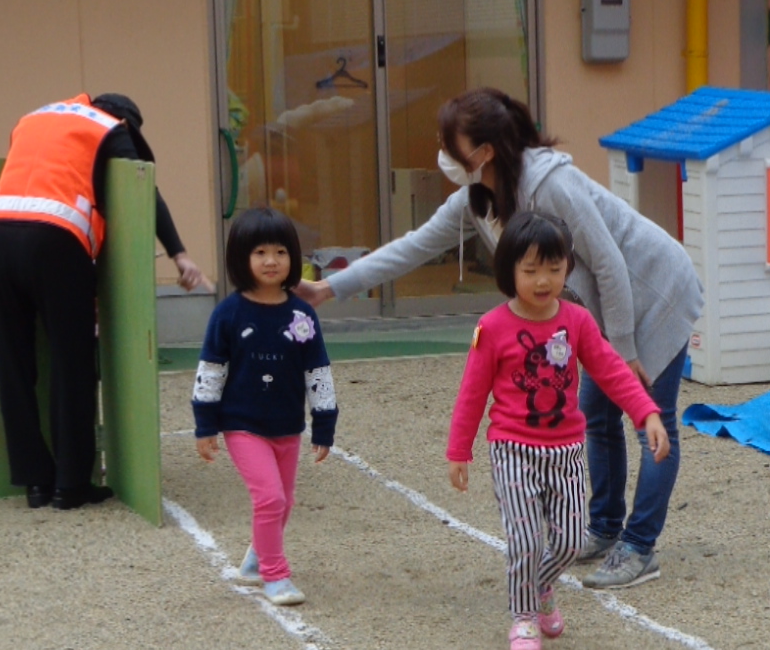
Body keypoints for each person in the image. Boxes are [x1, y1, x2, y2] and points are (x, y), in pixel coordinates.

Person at [299, 88, 703, 590]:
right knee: (597, 418)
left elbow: (609, 263)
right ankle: (603, 527)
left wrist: (624, 350)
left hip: (656, 290)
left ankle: (639, 546)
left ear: (485, 151)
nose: (443, 154)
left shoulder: (550, 184)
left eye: (450, 144)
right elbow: (412, 247)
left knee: (652, 423)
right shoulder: (477, 199)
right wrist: (329, 288)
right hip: (607, 309)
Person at [448, 212, 669, 650]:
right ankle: (523, 616)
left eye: (554, 268)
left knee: (568, 541)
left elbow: (611, 370)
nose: (543, 280)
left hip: (566, 451)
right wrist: (459, 450)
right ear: (509, 270)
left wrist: (646, 412)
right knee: (526, 539)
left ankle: (541, 584)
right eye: (531, 270)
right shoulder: (492, 328)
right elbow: (472, 392)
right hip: (512, 450)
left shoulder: (578, 321)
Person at [0, 93, 212, 510]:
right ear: (125, 122)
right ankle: (70, 485)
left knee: (14, 361)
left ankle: (35, 482)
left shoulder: (35, 117)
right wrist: (179, 253)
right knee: (72, 361)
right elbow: (142, 187)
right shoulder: (108, 128)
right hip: (55, 238)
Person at [193, 208, 338, 607]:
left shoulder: (301, 315)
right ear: (241, 258)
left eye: (280, 252)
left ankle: (257, 559)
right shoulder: (228, 314)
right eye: (259, 252)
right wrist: (205, 424)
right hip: (242, 426)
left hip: (288, 426)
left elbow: (318, 371)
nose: (271, 261)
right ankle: (276, 575)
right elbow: (211, 371)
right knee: (270, 499)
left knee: (283, 502)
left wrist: (324, 423)